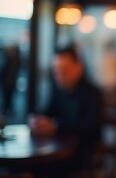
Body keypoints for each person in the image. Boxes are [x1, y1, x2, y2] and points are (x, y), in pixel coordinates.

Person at [28, 44, 103, 175]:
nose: (59, 75)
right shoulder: (59, 90)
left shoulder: (93, 93)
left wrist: (56, 128)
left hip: (80, 156)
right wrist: (36, 120)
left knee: (38, 168)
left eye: (64, 70)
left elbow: (93, 128)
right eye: (56, 71)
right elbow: (46, 111)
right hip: (57, 150)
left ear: (79, 67)